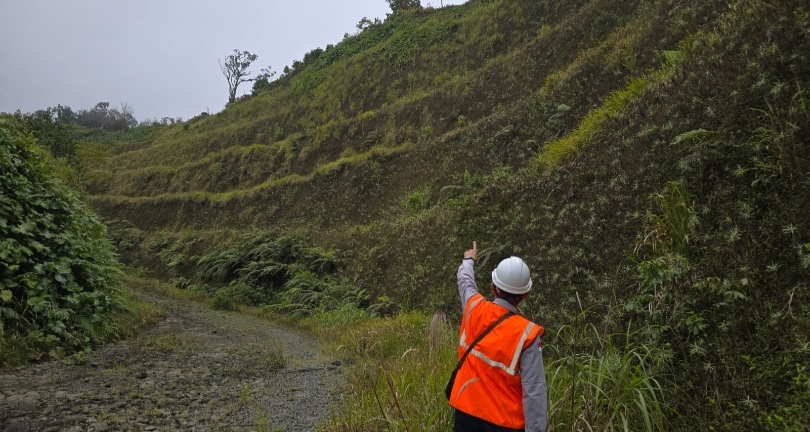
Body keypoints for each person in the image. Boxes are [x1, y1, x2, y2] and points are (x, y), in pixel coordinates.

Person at [449, 241, 547, 432]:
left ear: (493, 287)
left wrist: (469, 259)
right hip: (504, 424)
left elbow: (465, 282)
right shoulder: (527, 334)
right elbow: (534, 392)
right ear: (525, 294)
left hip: (466, 416)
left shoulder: (474, 308)